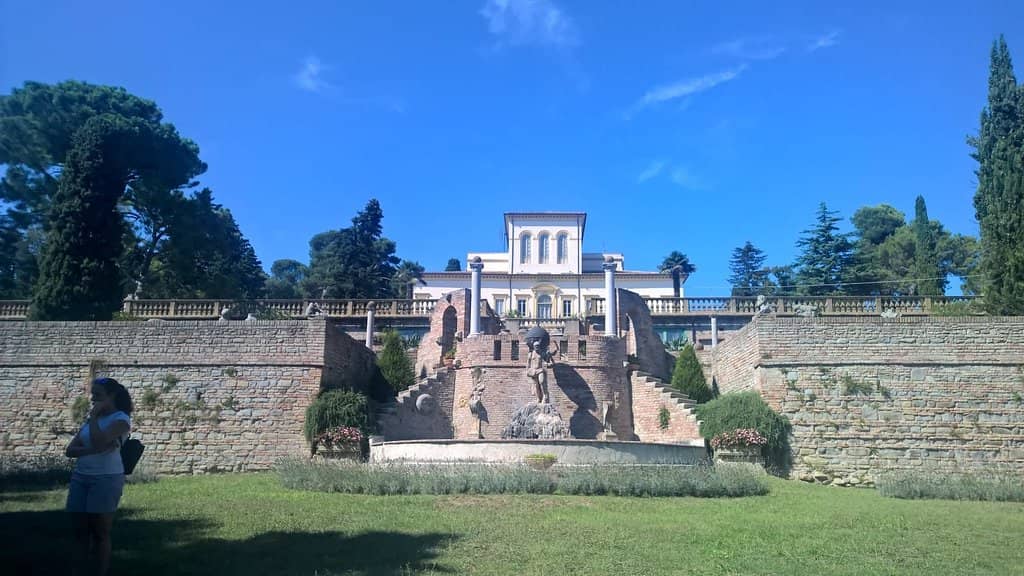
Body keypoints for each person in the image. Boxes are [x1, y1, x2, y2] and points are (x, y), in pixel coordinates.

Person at [65, 377, 133, 576]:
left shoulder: (121, 419)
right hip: (81, 477)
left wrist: (94, 419)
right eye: (92, 394)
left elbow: (99, 438)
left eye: (98, 395)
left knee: (100, 532)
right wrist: (94, 449)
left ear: (111, 396)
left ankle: (100, 572)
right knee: (79, 531)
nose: (93, 398)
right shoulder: (89, 421)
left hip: (106, 479)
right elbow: (70, 450)